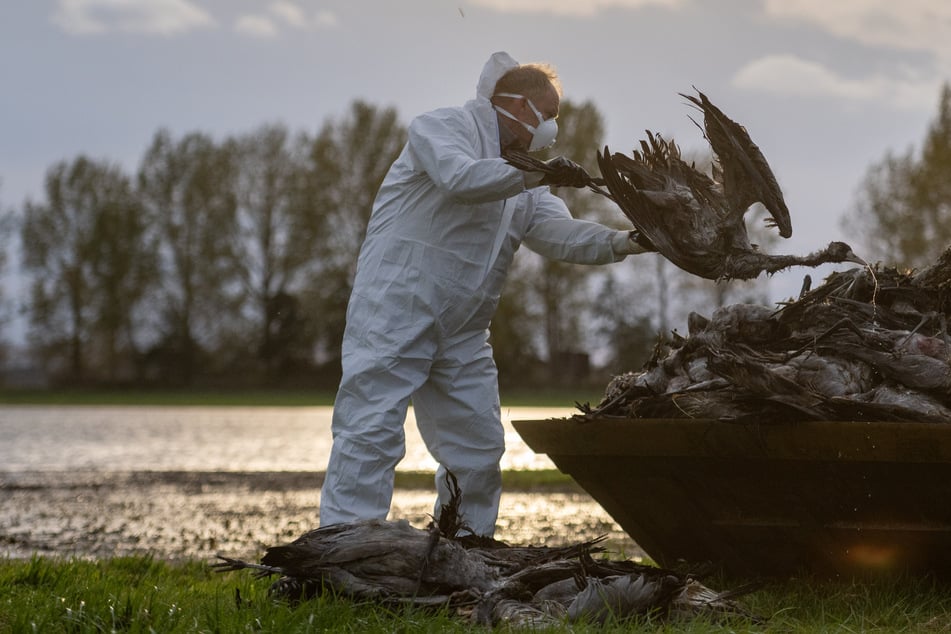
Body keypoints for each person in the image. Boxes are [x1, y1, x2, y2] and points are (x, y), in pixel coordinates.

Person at [319, 51, 648, 537]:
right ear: (513, 103)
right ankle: (344, 548)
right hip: (397, 308)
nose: (551, 127)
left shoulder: (525, 180)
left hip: (464, 330)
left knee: (476, 447)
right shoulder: (441, 129)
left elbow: (559, 233)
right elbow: (460, 179)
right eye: (547, 114)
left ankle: (464, 549)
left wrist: (628, 241)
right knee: (370, 430)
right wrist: (539, 173)